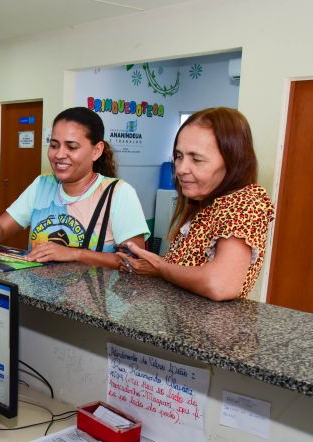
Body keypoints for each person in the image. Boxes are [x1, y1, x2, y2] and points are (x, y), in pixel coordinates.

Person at [117, 107, 275, 301]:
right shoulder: (204, 201)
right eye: (179, 156)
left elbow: (220, 285)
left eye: (197, 159)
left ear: (233, 161)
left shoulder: (246, 202)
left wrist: (159, 267)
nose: (181, 169)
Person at [0, 107, 149, 268]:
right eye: (54, 145)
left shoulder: (118, 193)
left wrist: (75, 254)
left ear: (96, 150)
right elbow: (2, 227)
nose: (59, 154)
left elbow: (135, 261)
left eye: (72, 147)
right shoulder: (42, 185)